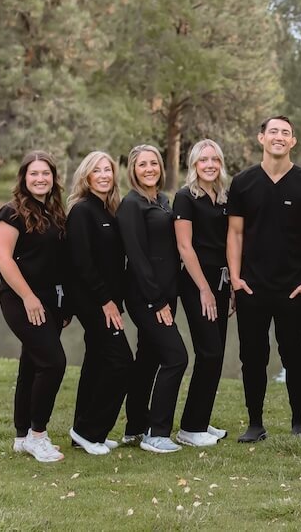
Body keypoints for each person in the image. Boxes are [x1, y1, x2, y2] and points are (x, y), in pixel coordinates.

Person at [227, 115, 301, 442]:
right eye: (273, 132)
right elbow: (235, 233)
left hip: (293, 288)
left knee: (294, 355)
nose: (279, 137)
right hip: (251, 286)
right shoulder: (242, 182)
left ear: (293, 141)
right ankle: (255, 424)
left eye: (285, 133)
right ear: (262, 138)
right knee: (252, 356)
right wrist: (236, 279)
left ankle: (299, 423)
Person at [0, 150, 68, 463]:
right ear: (24, 178)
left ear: (53, 178)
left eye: (46, 173)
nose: (40, 179)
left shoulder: (53, 211)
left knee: (32, 364)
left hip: (50, 299)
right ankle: (38, 436)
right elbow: (2, 258)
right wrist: (28, 297)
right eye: (34, 173)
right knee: (53, 363)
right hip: (20, 299)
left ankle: (22, 436)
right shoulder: (11, 212)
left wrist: (63, 305)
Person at [117, 144, 188, 453]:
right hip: (146, 296)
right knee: (176, 357)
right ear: (133, 170)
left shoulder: (162, 200)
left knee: (148, 359)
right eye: (142, 164)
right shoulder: (131, 205)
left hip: (166, 293)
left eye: (154, 163)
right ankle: (157, 433)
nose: (149, 169)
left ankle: (134, 428)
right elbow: (137, 257)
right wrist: (157, 301)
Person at [65, 151, 132, 455]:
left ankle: (82, 430)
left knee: (96, 362)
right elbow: (81, 262)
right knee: (121, 362)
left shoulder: (109, 210)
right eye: (97, 170)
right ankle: (90, 431)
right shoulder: (82, 211)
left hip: (108, 300)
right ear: (86, 176)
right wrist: (106, 301)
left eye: (108, 170)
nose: (104, 175)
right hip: (93, 302)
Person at [173, 139, 230, 447]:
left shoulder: (223, 197)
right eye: (203, 160)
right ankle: (190, 429)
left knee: (216, 354)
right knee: (208, 352)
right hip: (197, 283)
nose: (210, 165)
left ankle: (200, 420)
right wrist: (204, 289)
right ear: (194, 164)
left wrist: (230, 286)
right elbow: (185, 247)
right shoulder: (185, 197)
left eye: (214, 159)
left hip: (221, 282)